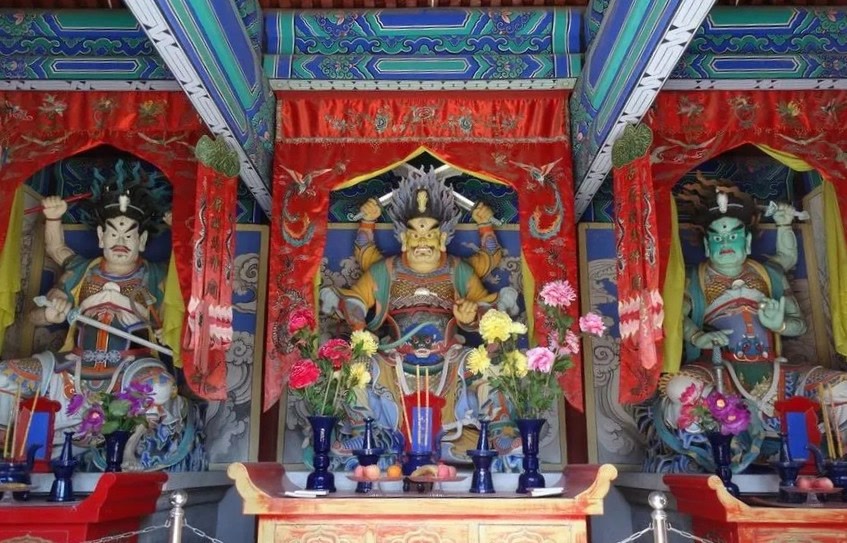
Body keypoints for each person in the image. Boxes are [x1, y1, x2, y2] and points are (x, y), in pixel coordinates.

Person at [320, 167, 519, 462]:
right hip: (394, 358)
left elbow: (489, 311)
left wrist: (471, 314)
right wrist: (358, 322)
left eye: (430, 234)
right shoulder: (386, 270)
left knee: (489, 366)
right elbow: (355, 300)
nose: (422, 241)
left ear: (443, 238)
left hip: (449, 357)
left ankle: (499, 434)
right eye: (415, 234)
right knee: (356, 365)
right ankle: (363, 433)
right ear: (403, 238)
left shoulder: (458, 270)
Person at [0, 166, 188, 467]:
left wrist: (181, 232)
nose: (120, 240)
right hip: (72, 363)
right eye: (113, 232)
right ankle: (11, 452)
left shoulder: (155, 276)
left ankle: (128, 450)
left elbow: (185, 285)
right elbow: (35, 314)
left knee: (161, 386)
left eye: (129, 234)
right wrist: (50, 312)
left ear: (141, 241)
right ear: (101, 236)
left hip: (130, 366)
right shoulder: (81, 271)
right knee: (4, 377)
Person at [662, 179, 847, 452]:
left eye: (733, 236)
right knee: (677, 387)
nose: (726, 243)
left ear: (747, 242)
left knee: (843, 388)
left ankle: (822, 446)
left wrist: (779, 324)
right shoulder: (694, 279)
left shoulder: (769, 274)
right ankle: (727, 428)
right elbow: (676, 316)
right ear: (707, 245)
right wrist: (697, 336)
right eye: (717, 238)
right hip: (719, 370)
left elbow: (798, 325)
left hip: (775, 370)